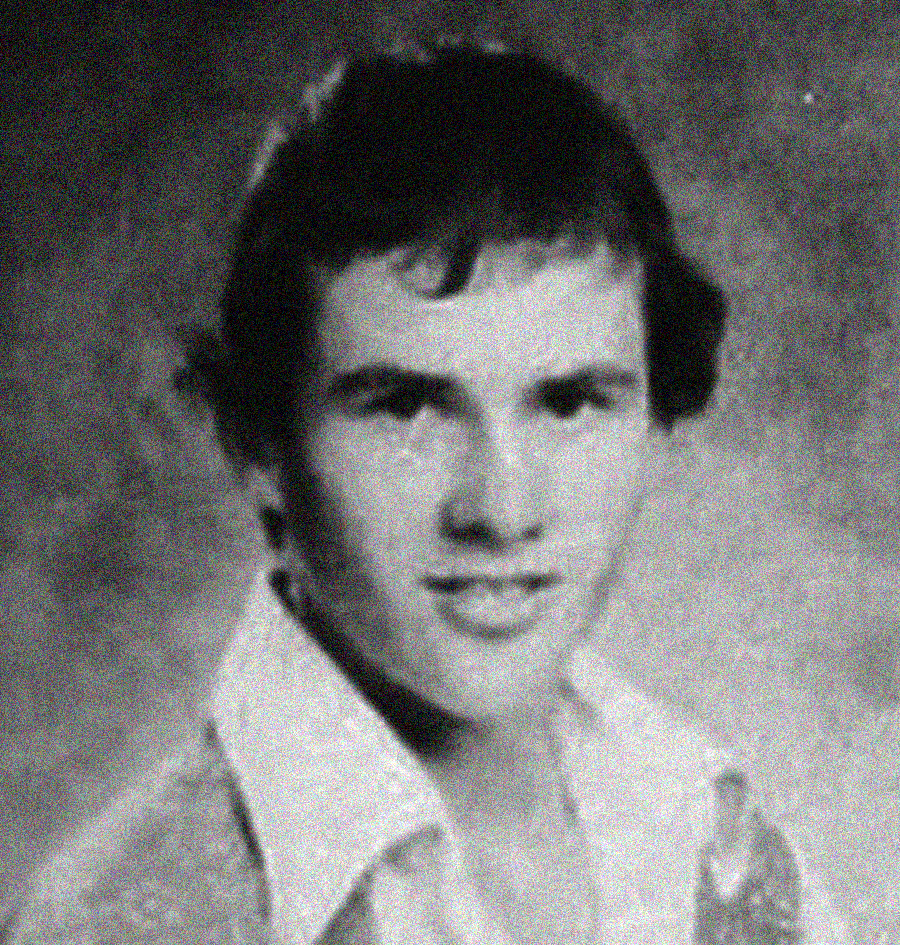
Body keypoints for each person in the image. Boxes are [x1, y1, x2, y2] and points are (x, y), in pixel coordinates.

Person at [5, 42, 848, 945]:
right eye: (406, 407)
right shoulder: (121, 919)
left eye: (568, 402)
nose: (501, 510)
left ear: (654, 418)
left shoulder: (711, 836)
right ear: (256, 443)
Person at [695, 769, 802, 945]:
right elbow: (704, 923)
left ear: (746, 803)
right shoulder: (710, 857)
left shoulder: (770, 847)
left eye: (735, 801)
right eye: (722, 801)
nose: (727, 811)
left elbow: (786, 914)